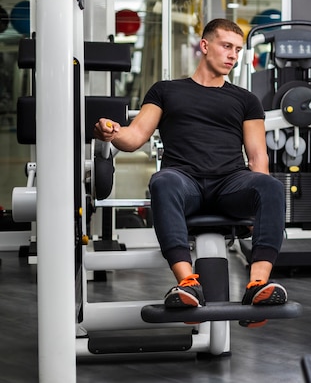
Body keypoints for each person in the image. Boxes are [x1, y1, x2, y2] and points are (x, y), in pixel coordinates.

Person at [94, 18, 287, 328]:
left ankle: (258, 286)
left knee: (271, 186)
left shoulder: (246, 100)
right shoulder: (166, 91)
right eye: (226, 46)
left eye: (237, 50)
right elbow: (135, 137)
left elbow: (257, 155)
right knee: (163, 180)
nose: (232, 55)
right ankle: (187, 283)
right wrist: (112, 133)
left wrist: (256, 206)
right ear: (205, 45)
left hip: (231, 183)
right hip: (185, 183)